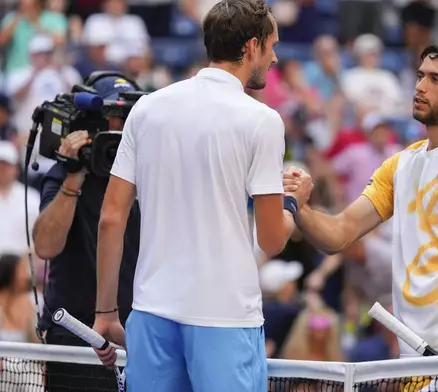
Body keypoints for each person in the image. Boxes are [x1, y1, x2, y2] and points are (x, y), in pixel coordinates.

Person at [91, 0, 311, 391]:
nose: (276, 58)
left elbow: (111, 217)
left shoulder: (146, 108)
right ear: (251, 47)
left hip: (151, 314)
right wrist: (293, 201)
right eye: (272, 46)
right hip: (224, 318)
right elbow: (273, 239)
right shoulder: (262, 120)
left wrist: (106, 311)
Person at [285, 38, 438, 357]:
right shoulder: (400, 164)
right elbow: (339, 233)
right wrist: (299, 206)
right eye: (420, 76)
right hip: (412, 362)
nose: (420, 87)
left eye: (436, 79)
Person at [31, 71, 142, 392]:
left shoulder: (148, 172)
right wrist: (73, 176)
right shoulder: (64, 172)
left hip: (134, 331)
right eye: (113, 116)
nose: (119, 128)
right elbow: (46, 247)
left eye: (128, 117)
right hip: (74, 330)